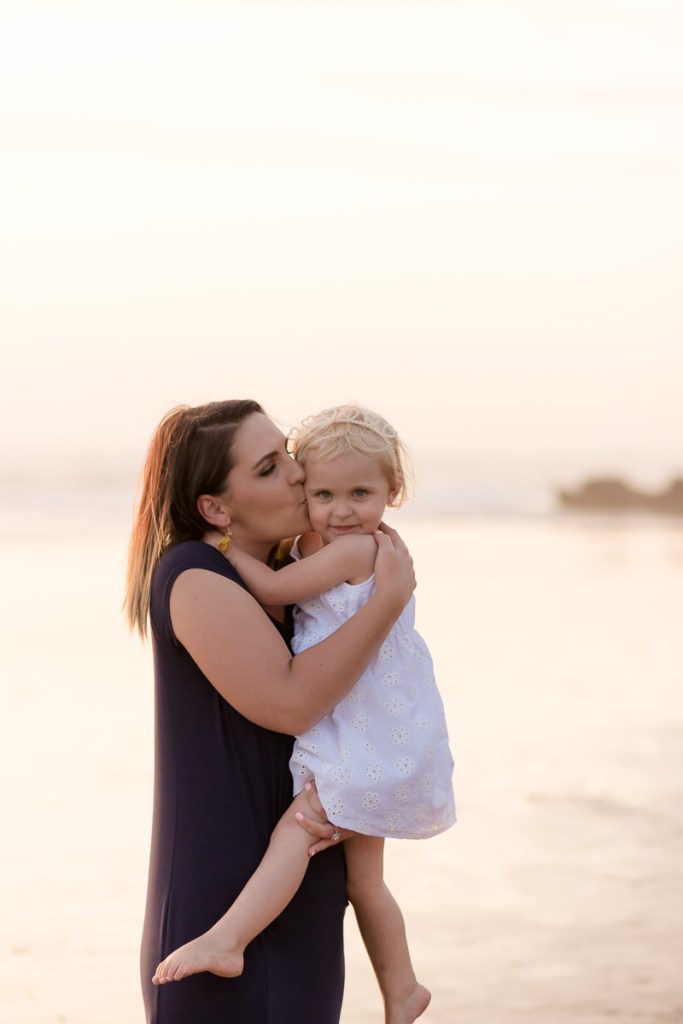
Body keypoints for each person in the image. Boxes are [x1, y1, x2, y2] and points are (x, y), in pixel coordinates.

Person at [151, 404, 456, 1024]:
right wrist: (391, 596)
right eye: (269, 467)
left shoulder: (300, 568)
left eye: (289, 453)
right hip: (228, 890)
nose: (295, 473)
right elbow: (293, 703)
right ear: (216, 507)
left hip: (306, 887)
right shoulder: (198, 572)